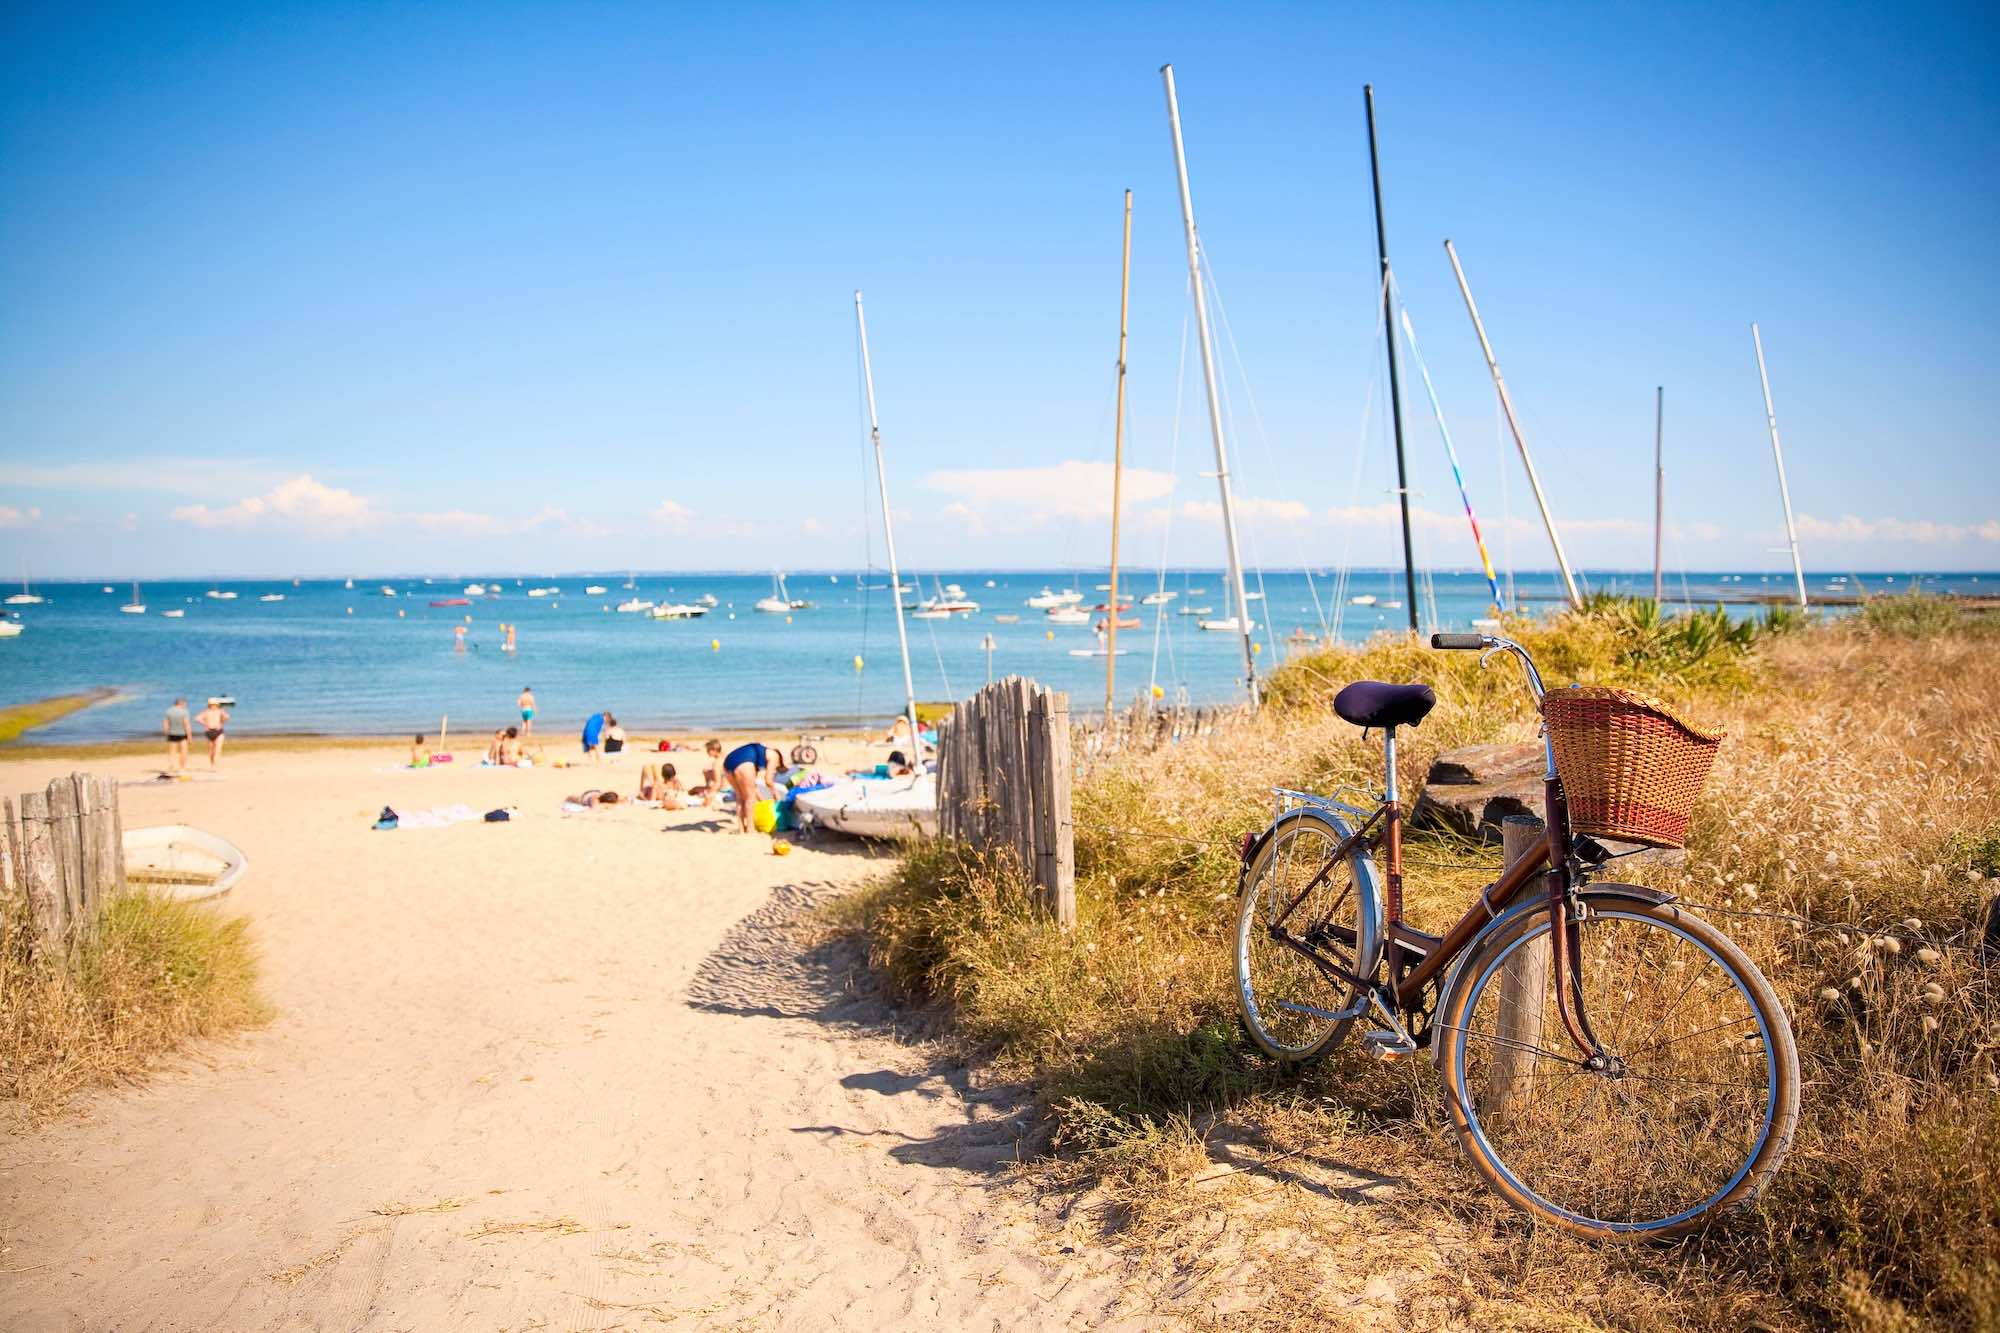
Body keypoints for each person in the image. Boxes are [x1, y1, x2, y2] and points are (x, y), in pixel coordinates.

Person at [721, 739, 786, 834]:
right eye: (776, 768)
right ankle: (750, 829)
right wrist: (775, 794)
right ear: (779, 762)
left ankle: (741, 829)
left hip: (727, 763)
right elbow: (768, 780)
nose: (774, 770)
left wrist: (761, 799)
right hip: (743, 763)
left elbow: (753, 786)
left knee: (740, 797)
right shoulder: (774, 756)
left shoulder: (757, 758)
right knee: (750, 799)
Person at [195, 698, 230, 769]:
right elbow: (197, 718)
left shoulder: (220, 711)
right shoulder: (206, 711)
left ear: (217, 705)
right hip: (209, 731)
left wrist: (221, 723)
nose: (213, 706)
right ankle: (212, 764)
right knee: (211, 750)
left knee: (218, 749)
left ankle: (216, 765)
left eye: (214, 704)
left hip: (219, 731)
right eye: (211, 704)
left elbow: (227, 717)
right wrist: (205, 724)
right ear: (209, 705)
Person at [163, 697, 190, 773]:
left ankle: (171, 766)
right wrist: (189, 736)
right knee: (183, 751)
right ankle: (182, 767)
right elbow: (186, 724)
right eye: (185, 703)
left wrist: (166, 733)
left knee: (172, 752)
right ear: (181, 703)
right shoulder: (184, 712)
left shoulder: (168, 711)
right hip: (182, 734)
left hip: (172, 733)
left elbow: (165, 723)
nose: (186, 705)